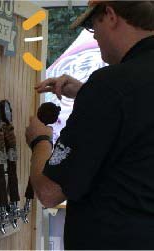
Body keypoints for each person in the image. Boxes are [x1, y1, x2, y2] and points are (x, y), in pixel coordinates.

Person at [25, 1, 154, 249]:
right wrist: (86, 94)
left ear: (110, 15)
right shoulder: (118, 90)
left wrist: (40, 140)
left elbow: (49, 191)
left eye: (93, 27)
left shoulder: (110, 85)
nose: (95, 39)